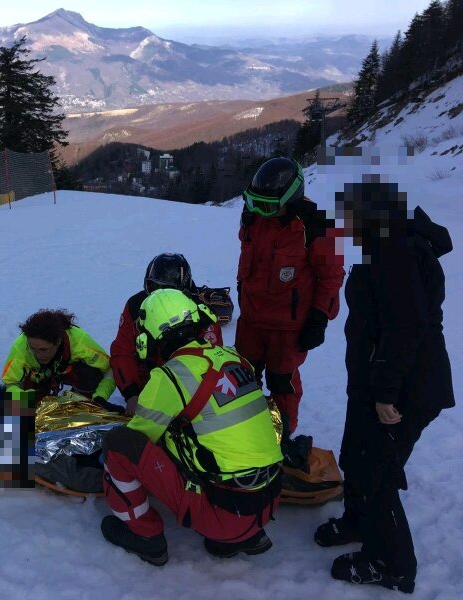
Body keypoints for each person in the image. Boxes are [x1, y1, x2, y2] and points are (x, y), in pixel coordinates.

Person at [314, 180, 454, 594]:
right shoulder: (388, 245)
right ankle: (360, 521)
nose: (347, 226)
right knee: (354, 454)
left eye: (352, 218)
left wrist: (386, 393)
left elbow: (406, 327)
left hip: (405, 388)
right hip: (378, 380)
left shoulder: (397, 251)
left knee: (375, 470)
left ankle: (391, 564)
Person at [100, 289, 282, 566]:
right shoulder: (234, 359)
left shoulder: (171, 375)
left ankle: (146, 537)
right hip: (266, 505)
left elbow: (139, 436)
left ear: (150, 338)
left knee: (120, 445)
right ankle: (243, 538)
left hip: (222, 516)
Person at [236, 157, 344, 434]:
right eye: (254, 203)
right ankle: (242, 429)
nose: (261, 211)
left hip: (287, 326)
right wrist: (241, 290)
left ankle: (281, 434)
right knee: (241, 378)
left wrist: (319, 317)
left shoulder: (316, 226)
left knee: (281, 381)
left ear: (291, 197)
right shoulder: (253, 218)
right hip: (251, 319)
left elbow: (331, 276)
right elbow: (248, 260)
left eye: (269, 206)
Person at [110, 253, 224, 416]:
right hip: (146, 390)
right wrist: (131, 394)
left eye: (167, 290)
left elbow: (211, 365)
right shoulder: (135, 308)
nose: (160, 296)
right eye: (154, 288)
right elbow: (122, 352)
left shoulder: (203, 317)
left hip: (187, 395)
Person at [1, 309, 118, 411]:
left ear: (58, 342)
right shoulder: (21, 345)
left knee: (90, 374)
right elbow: (11, 382)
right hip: (37, 383)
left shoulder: (79, 342)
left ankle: (81, 407)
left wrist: (100, 397)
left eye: (44, 349)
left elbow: (110, 370)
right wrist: (24, 398)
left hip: (71, 375)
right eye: (33, 349)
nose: (38, 355)